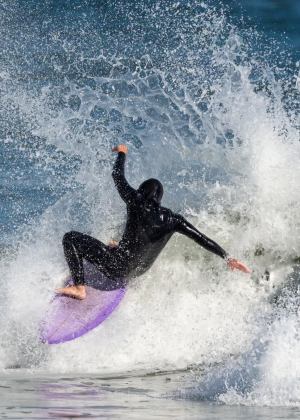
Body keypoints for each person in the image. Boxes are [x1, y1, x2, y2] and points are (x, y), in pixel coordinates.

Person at [57, 144, 251, 300]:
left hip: (118, 268)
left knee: (70, 238)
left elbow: (117, 175)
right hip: (138, 272)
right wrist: (228, 258)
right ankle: (116, 252)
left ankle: (79, 287)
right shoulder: (173, 219)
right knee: (117, 245)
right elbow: (202, 239)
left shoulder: (135, 200)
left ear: (141, 192)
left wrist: (122, 153)